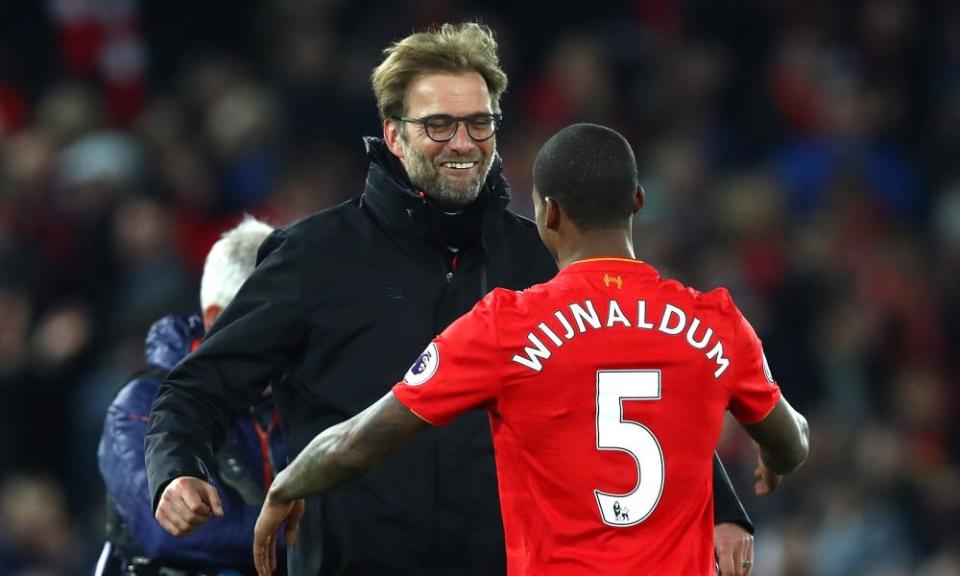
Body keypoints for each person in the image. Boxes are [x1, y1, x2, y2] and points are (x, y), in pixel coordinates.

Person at [146, 23, 756, 575]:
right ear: (393, 134)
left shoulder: (541, 261)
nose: (462, 142)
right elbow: (199, 386)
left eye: (479, 122)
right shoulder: (314, 257)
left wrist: (722, 506)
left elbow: (641, 383)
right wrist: (175, 471)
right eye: (438, 125)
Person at [252, 124, 810, 576]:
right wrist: (774, 462)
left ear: (547, 213)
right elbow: (792, 438)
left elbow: (360, 442)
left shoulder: (507, 326)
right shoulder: (713, 321)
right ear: (637, 201)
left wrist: (288, 482)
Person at [97, 216, 286, 575]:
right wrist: (309, 538)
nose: (294, 334)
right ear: (215, 319)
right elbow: (171, 533)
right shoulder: (140, 404)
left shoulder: (303, 394)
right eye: (276, 319)